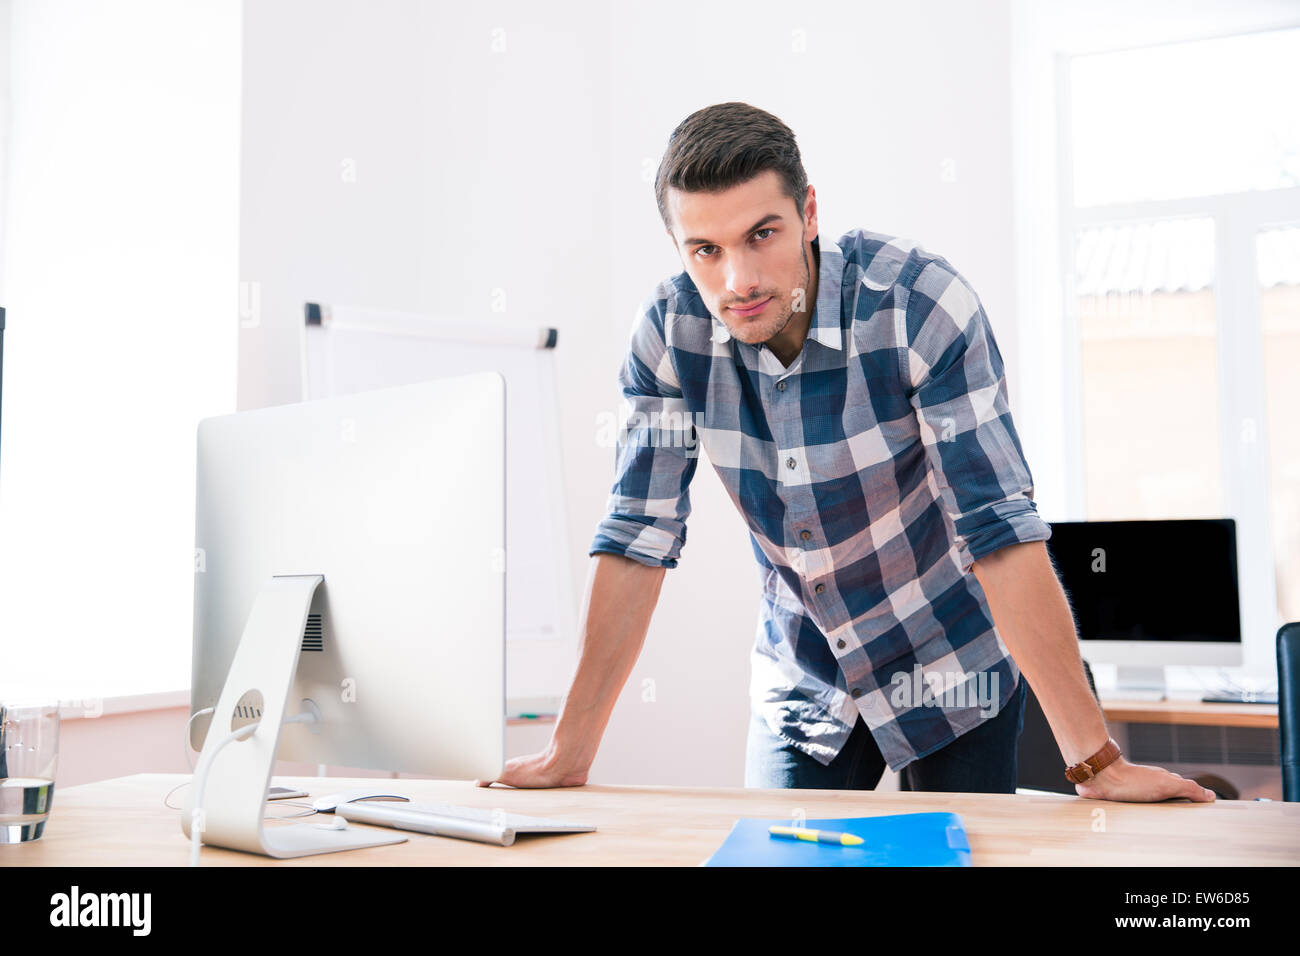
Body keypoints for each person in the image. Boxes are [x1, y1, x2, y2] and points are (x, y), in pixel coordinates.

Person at [478, 101, 1213, 802]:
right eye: (706, 249)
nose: (739, 281)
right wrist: (569, 751)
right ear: (680, 250)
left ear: (810, 215)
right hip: (806, 678)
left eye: (761, 234)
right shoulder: (670, 335)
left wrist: (1096, 761)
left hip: (952, 663)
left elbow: (998, 528)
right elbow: (639, 536)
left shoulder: (917, 305)